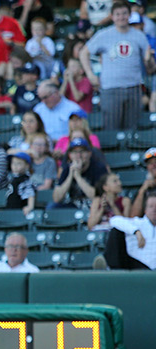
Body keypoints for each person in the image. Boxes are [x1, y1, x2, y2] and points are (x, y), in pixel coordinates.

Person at [82, 1, 154, 131]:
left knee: (132, 129)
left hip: (134, 87)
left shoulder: (139, 35)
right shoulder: (104, 34)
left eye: (124, 13)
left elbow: (150, 68)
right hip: (111, 89)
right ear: (112, 16)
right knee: (111, 129)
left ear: (129, 15)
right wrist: (90, 74)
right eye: (117, 14)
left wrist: (149, 59)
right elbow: (83, 53)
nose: (121, 17)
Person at [51, 137, 109, 210]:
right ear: (69, 155)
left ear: (89, 153)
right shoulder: (67, 169)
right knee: (52, 207)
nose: (79, 155)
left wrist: (78, 177)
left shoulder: (99, 168)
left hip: (93, 206)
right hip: (73, 205)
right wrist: (70, 175)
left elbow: (97, 197)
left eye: (82, 151)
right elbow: (56, 198)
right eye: (75, 152)